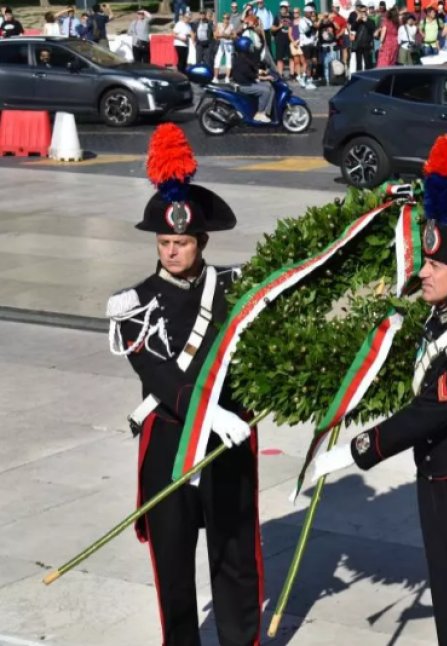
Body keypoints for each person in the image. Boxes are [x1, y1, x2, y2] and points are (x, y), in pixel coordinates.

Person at [312, 213, 447, 645]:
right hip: (440, 481)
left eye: (434, 265)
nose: (423, 272)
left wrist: (354, 451)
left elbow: (429, 411)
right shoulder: (444, 316)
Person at [105, 124, 262, 645]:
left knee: (235, 561)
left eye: (182, 243)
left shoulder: (233, 290)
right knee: (173, 572)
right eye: (165, 242)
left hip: (225, 447)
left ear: (202, 242)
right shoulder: (134, 306)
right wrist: (205, 412)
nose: (172, 252)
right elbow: (157, 374)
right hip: (172, 445)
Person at [232, 35, 274, 122]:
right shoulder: (242, 60)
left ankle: (265, 110)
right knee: (265, 91)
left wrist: (260, 71)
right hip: (243, 85)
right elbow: (249, 74)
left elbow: (251, 68)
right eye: (250, 46)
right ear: (245, 47)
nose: (252, 48)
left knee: (268, 86)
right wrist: (264, 77)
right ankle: (259, 113)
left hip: (246, 82)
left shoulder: (243, 57)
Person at [350, 3, 376, 72]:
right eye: (361, 12)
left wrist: (366, 21)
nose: (362, 13)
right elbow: (352, 28)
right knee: (359, 64)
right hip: (359, 44)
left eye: (364, 12)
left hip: (367, 45)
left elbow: (372, 28)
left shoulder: (370, 21)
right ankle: (359, 78)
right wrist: (356, 20)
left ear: (366, 12)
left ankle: (369, 78)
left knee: (368, 63)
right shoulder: (358, 22)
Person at [299, 4, 319, 86]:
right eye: (310, 12)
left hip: (312, 43)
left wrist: (314, 25)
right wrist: (313, 26)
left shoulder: (310, 21)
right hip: (305, 44)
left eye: (312, 12)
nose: (312, 14)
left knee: (314, 61)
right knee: (309, 62)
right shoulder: (302, 21)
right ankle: (308, 79)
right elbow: (307, 32)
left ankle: (304, 77)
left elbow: (315, 29)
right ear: (306, 13)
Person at [272, 1, 293, 78]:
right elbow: (272, 29)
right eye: (282, 7)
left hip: (290, 40)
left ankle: (292, 74)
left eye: (285, 7)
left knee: (291, 58)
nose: (283, 8)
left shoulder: (291, 16)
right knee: (280, 58)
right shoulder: (277, 16)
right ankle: (280, 75)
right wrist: (279, 27)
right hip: (280, 40)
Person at [214, 13, 235, 82]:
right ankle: (215, 77)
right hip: (221, 44)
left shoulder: (231, 26)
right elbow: (216, 35)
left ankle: (227, 77)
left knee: (228, 61)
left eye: (227, 18)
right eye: (224, 18)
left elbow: (234, 36)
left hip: (228, 44)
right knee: (217, 60)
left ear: (229, 19)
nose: (225, 19)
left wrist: (226, 36)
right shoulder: (219, 25)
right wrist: (220, 36)